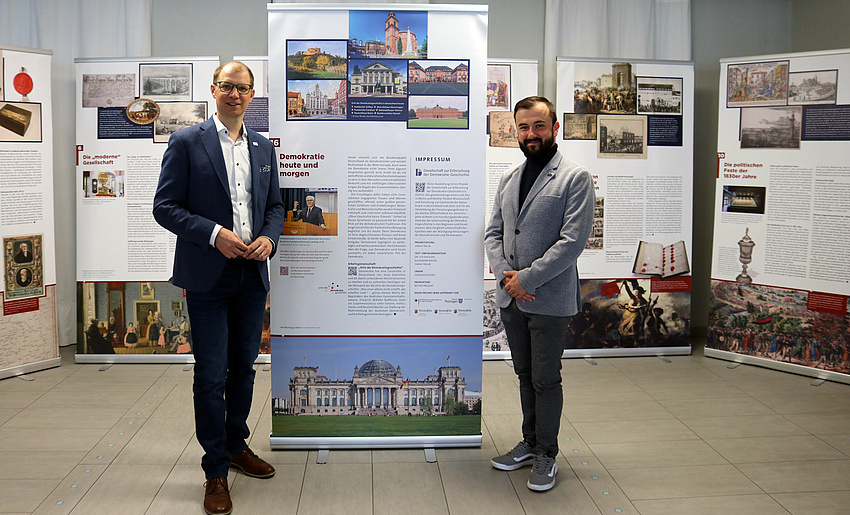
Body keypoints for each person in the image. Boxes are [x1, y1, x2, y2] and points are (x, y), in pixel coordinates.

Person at [153, 60, 285, 515]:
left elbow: (275, 207)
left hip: (251, 275)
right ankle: (214, 470)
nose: (235, 94)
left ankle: (235, 445)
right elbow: (164, 207)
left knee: (244, 368)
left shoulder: (265, 149)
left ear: (252, 94)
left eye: (242, 88)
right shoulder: (187, 142)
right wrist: (214, 234)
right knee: (211, 374)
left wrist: (269, 237)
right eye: (227, 86)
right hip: (207, 275)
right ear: (214, 90)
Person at [484, 96, 594, 492]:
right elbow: (494, 233)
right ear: (516, 131)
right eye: (524, 127)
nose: (531, 134)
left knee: (546, 379)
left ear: (554, 129)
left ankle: (547, 453)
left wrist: (526, 279)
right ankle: (529, 443)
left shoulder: (574, 177)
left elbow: (572, 241)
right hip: (512, 298)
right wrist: (506, 277)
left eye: (539, 126)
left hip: (547, 299)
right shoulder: (509, 179)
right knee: (525, 374)